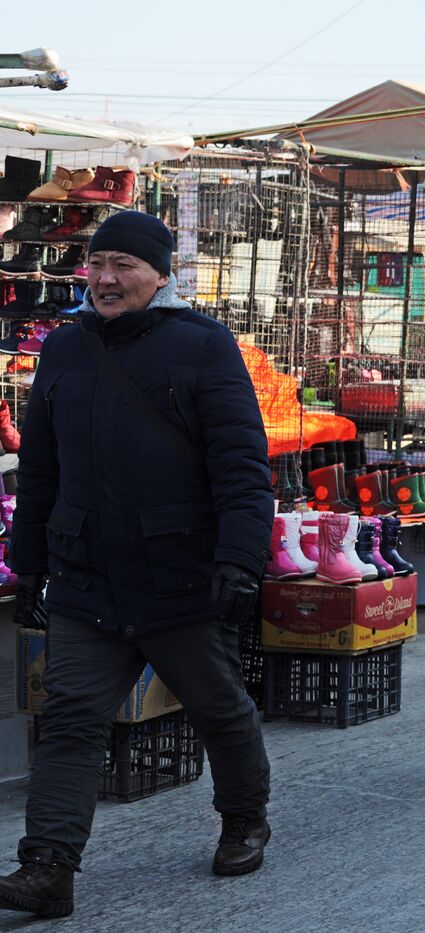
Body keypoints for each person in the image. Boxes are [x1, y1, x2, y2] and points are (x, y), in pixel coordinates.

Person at [1, 212, 274, 918]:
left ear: (160, 274)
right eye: (96, 265)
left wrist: (240, 560)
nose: (105, 278)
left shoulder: (205, 346)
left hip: (178, 573)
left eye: (122, 264)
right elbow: (40, 468)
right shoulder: (64, 349)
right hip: (86, 572)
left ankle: (244, 817)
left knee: (218, 708)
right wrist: (27, 560)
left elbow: (243, 467)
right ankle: (48, 868)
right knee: (70, 719)